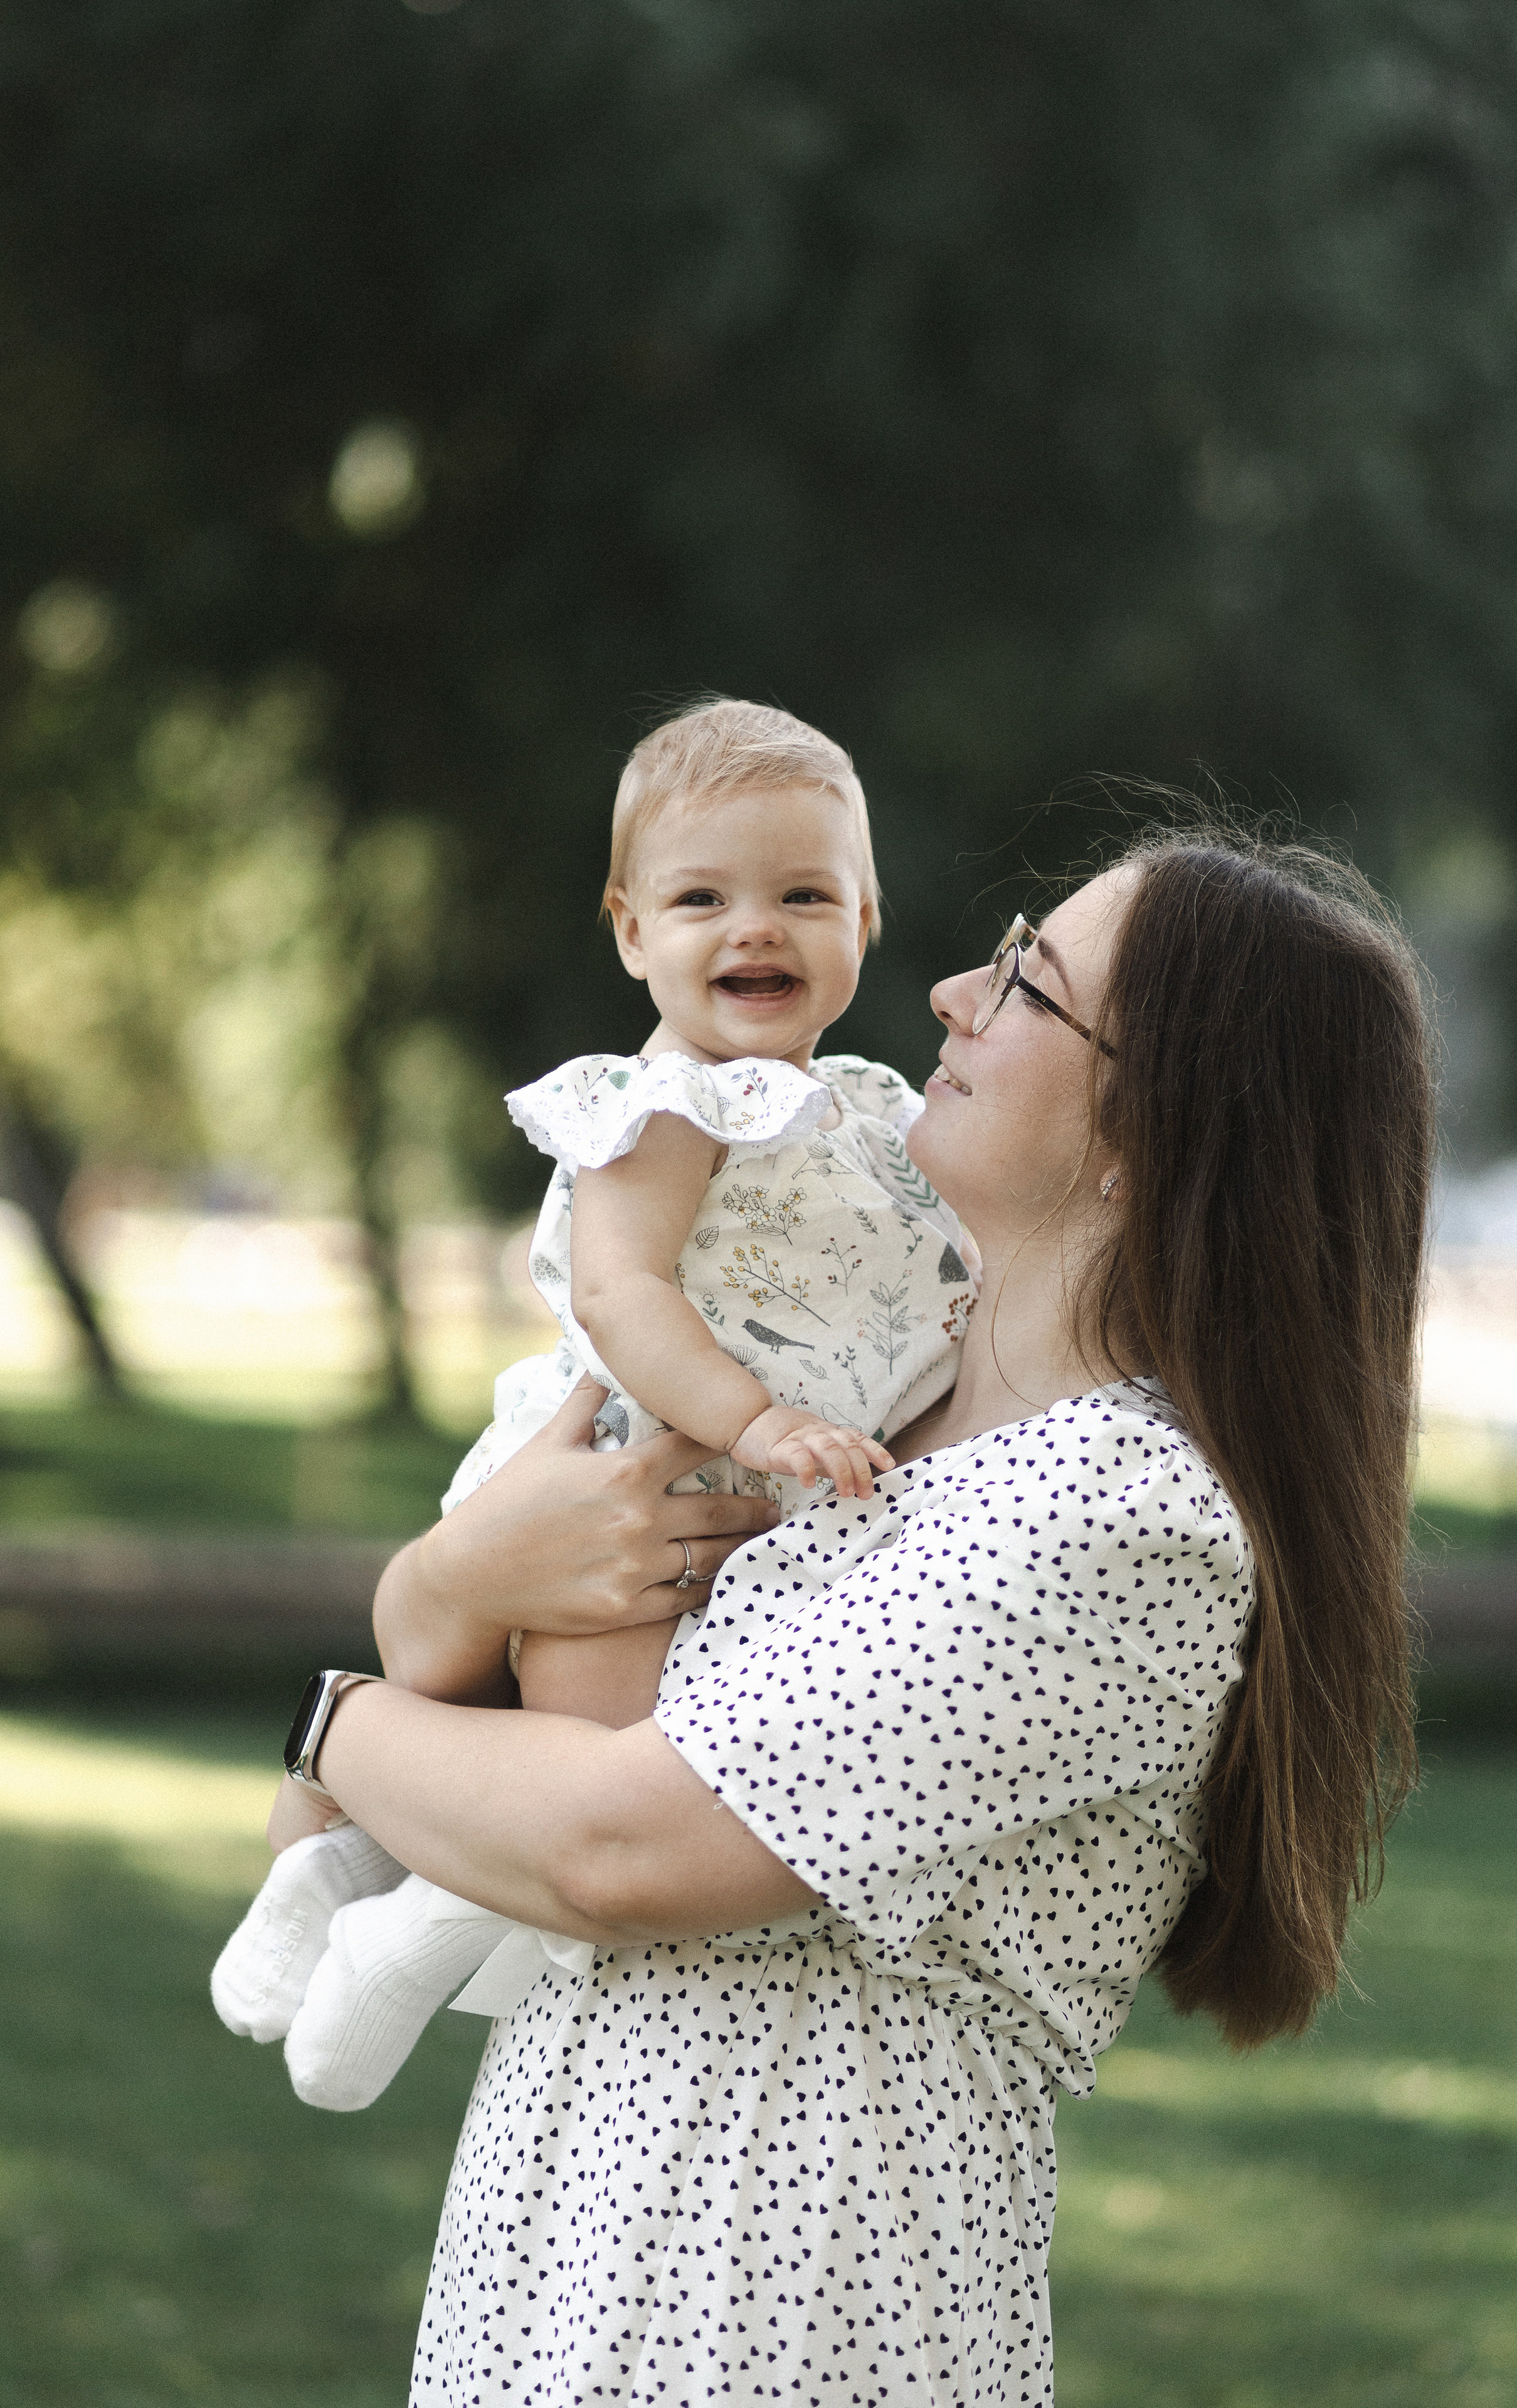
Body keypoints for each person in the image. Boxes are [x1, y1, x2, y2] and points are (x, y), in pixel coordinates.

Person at [262, 820, 1432, 2407]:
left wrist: (335, 1719)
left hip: (793, 2316)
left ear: (1143, 1132)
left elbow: (607, 1845)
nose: (950, 991)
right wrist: (452, 1583)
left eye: (1027, 983)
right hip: (565, 2261)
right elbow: (487, 1643)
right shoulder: (866, 1400)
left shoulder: (1121, 1520)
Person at [212, 699, 976, 2107]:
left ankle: (352, 1861)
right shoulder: (668, 1105)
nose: (754, 929)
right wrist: (753, 1424)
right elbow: (624, 1297)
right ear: (631, 932)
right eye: (702, 899)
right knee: (598, 1754)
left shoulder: (871, 1109)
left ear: (866, 920)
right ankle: (378, 1909)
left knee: (610, 1773)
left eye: (802, 894)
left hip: (770, 1493)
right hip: (647, 1461)